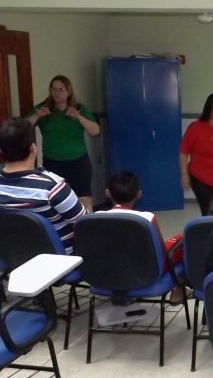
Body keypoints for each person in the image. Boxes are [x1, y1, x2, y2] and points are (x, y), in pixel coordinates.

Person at [0, 117, 86, 254]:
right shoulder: (52, 188)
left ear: (1, 151)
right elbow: (84, 225)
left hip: (11, 258)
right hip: (58, 261)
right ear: (33, 148)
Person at [104, 170, 189, 305]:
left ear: (108, 193)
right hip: (145, 273)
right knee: (183, 239)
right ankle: (178, 291)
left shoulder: (93, 218)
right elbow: (161, 252)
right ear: (139, 194)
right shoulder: (146, 218)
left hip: (106, 273)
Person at [26, 75, 100, 212]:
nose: (57, 93)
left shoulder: (79, 108)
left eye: (61, 89)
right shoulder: (42, 109)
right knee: (54, 201)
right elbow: (22, 128)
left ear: (69, 91)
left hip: (78, 162)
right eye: (53, 89)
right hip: (52, 163)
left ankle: (87, 224)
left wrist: (78, 117)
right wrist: (37, 115)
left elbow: (95, 131)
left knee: (83, 200)